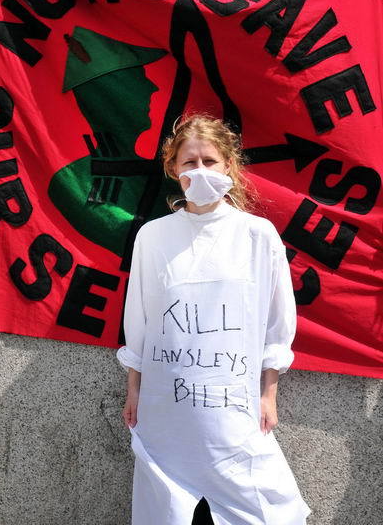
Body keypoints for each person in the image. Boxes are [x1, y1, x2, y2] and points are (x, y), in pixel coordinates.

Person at [116, 113, 311, 524]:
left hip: (234, 406)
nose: (200, 171)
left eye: (209, 161)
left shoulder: (258, 235)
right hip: (167, 404)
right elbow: (140, 318)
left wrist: (268, 393)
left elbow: (277, 321)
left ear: (229, 166)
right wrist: (135, 388)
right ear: (174, 170)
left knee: (265, 509)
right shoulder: (153, 236)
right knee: (164, 510)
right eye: (189, 163)